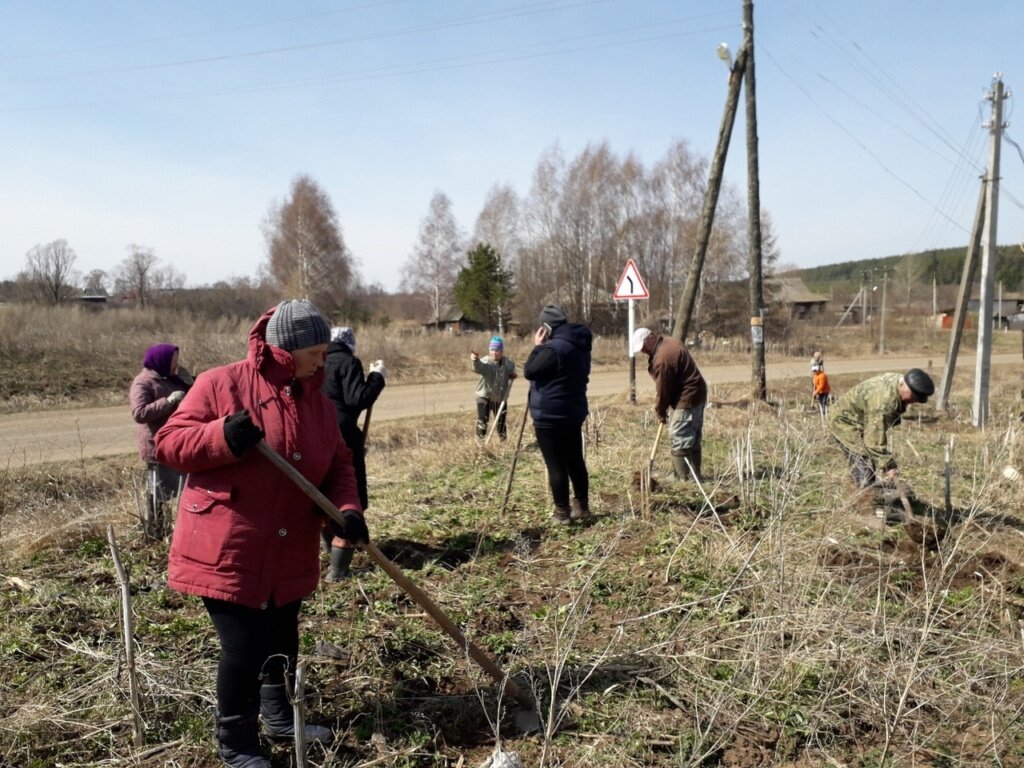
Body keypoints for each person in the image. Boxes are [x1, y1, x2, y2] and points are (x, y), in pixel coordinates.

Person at [154, 299, 367, 768]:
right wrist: (221, 438)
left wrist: (346, 509)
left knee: (282, 637)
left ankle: (278, 717)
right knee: (244, 647)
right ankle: (236, 742)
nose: (323, 359)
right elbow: (168, 442)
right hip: (229, 545)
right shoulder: (220, 384)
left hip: (289, 545)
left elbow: (338, 465)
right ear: (287, 350)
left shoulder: (317, 402)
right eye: (316, 350)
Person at [321, 326, 386, 581]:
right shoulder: (348, 362)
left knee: (325, 494)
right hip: (344, 437)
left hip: (318, 435)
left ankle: (329, 552)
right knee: (350, 496)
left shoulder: (317, 362)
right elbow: (357, 398)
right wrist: (377, 377)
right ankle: (338, 571)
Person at [524, 304, 592, 524]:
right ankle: (581, 506)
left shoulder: (553, 349)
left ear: (545, 327)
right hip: (573, 412)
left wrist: (537, 347)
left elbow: (530, 371)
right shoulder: (580, 345)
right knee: (575, 460)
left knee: (556, 464)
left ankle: (562, 512)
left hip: (549, 415)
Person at [827, 368, 934, 499]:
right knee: (864, 465)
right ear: (903, 385)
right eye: (913, 397)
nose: (913, 402)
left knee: (869, 463)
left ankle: (863, 491)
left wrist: (883, 462)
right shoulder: (883, 402)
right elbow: (874, 441)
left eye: (916, 400)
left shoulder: (899, 382)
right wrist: (888, 464)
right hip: (844, 422)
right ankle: (863, 506)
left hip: (861, 420)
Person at [129, 343, 193, 534]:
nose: (176, 365)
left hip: (177, 443)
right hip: (156, 447)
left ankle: (179, 530)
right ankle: (156, 531)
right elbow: (139, 413)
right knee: (158, 494)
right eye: (173, 362)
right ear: (161, 361)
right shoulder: (143, 383)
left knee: (183, 490)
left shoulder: (172, 378)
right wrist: (169, 401)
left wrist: (190, 383)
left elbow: (192, 399)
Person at [631, 327, 708, 482]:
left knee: (679, 434)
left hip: (688, 396)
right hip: (698, 392)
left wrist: (660, 410)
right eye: (641, 349)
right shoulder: (669, 341)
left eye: (644, 346)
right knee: (692, 436)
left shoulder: (662, 358)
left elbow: (664, 389)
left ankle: (681, 477)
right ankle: (695, 476)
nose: (644, 351)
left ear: (651, 338)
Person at [470, 335, 516, 440]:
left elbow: (512, 369)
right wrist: (475, 360)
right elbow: (478, 367)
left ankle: (503, 444)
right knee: (483, 421)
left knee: (501, 423)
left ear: (501, 351)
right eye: (492, 350)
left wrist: (513, 374)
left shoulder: (507, 363)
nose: (494, 353)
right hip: (484, 396)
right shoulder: (486, 362)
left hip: (500, 398)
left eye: (497, 350)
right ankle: (480, 444)